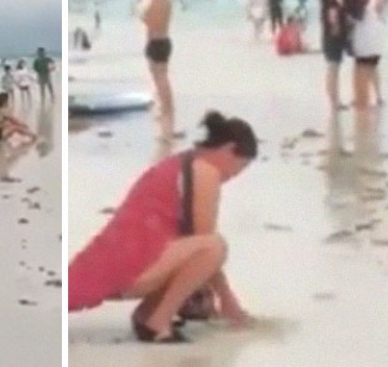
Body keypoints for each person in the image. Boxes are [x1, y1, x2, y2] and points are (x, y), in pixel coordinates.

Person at [69, 111, 258, 342]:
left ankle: (149, 314)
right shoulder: (205, 171)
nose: (233, 175)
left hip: (117, 263)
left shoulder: (184, 161)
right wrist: (230, 304)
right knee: (214, 247)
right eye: (239, 167)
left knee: (204, 247)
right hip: (129, 269)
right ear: (229, 149)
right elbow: (206, 248)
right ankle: (157, 323)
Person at [343, 0, 388, 109]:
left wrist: (383, 3)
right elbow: (347, 9)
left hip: (375, 27)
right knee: (361, 63)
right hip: (359, 28)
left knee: (373, 63)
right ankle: (360, 96)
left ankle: (378, 96)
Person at [139, 0, 177, 142]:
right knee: (161, 81)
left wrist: (144, 17)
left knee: (161, 82)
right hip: (161, 42)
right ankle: (165, 113)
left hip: (157, 42)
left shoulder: (157, 2)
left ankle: (167, 121)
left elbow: (153, 23)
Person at [320, 0, 348, 110]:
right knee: (334, 71)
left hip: (329, 40)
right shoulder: (332, 6)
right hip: (333, 41)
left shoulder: (329, 4)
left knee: (333, 70)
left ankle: (334, 100)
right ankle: (334, 101)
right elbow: (334, 25)